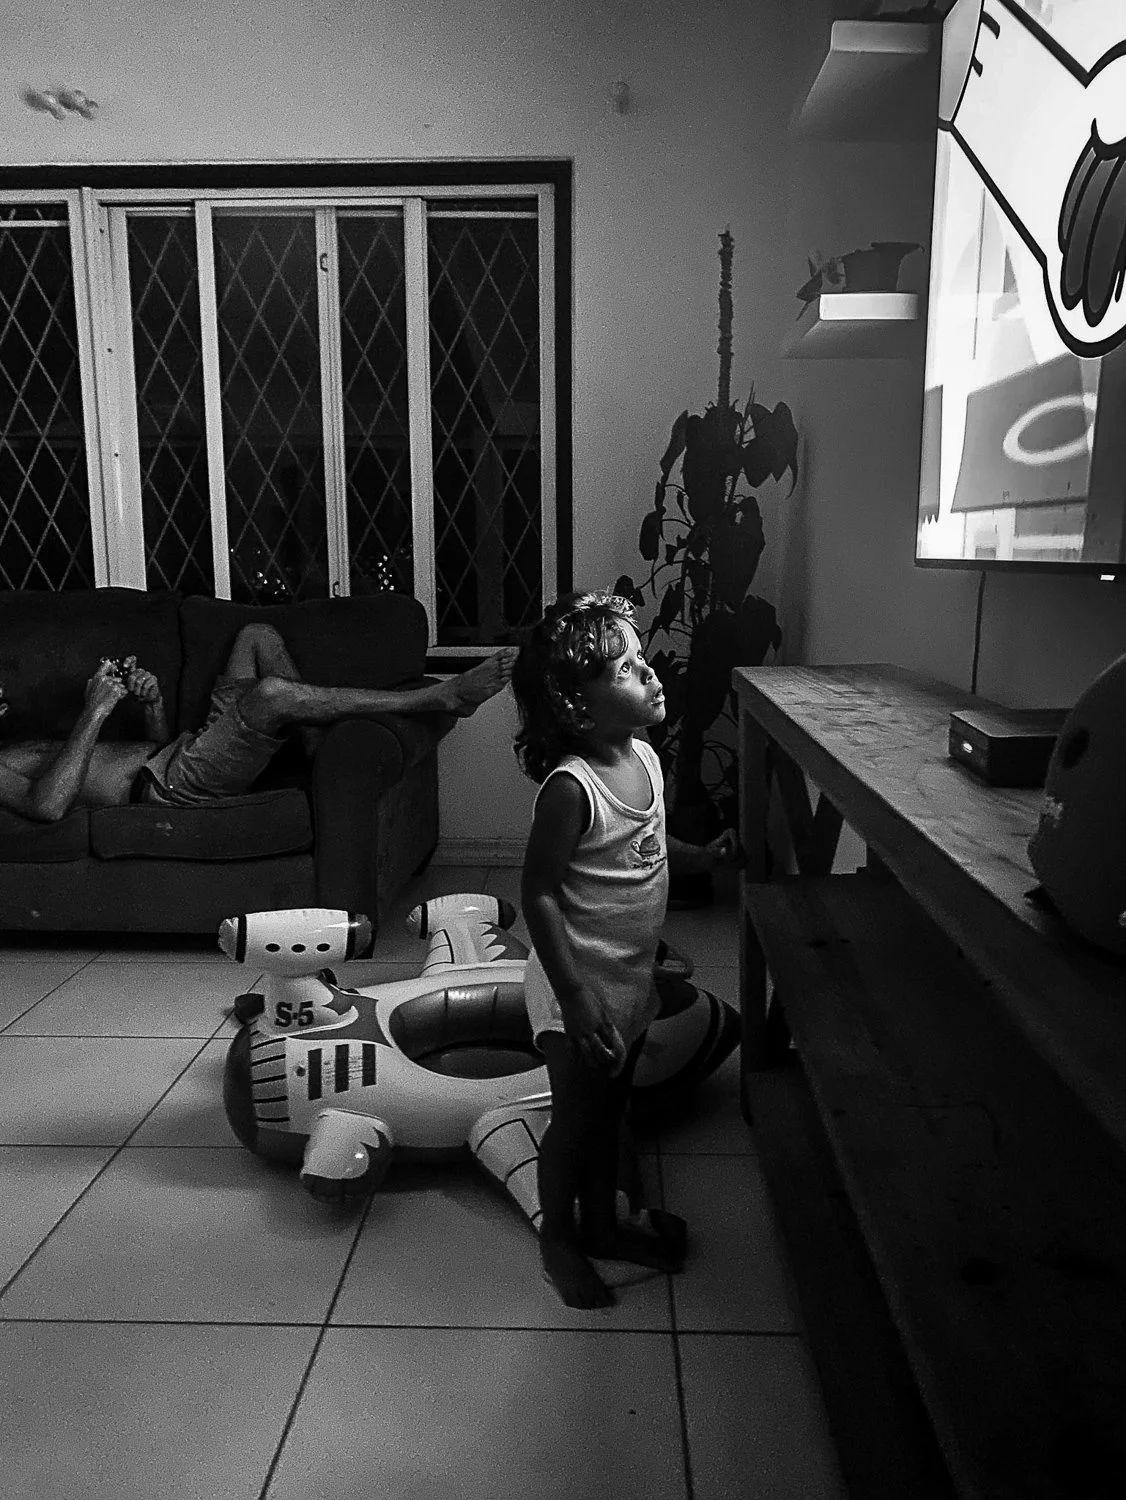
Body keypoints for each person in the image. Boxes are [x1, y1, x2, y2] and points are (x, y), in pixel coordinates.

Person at [511, 589, 741, 1309]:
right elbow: (539, 893)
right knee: (577, 1122)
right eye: (626, 669)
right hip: (574, 990)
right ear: (577, 705)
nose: (651, 674)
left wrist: (700, 858)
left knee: (613, 1113)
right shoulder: (570, 790)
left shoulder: (643, 756)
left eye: (643, 660)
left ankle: (604, 1223)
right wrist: (576, 1001)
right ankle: (560, 1239)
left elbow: (647, 842)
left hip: (627, 984)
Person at [0, 625, 518, 821]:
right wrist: (94, 711)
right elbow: (47, 807)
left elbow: (139, 753)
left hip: (178, 755)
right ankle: (439, 697)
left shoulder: (22, 742)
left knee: (256, 637)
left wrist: (152, 703)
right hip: (173, 787)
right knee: (271, 696)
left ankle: (313, 742)